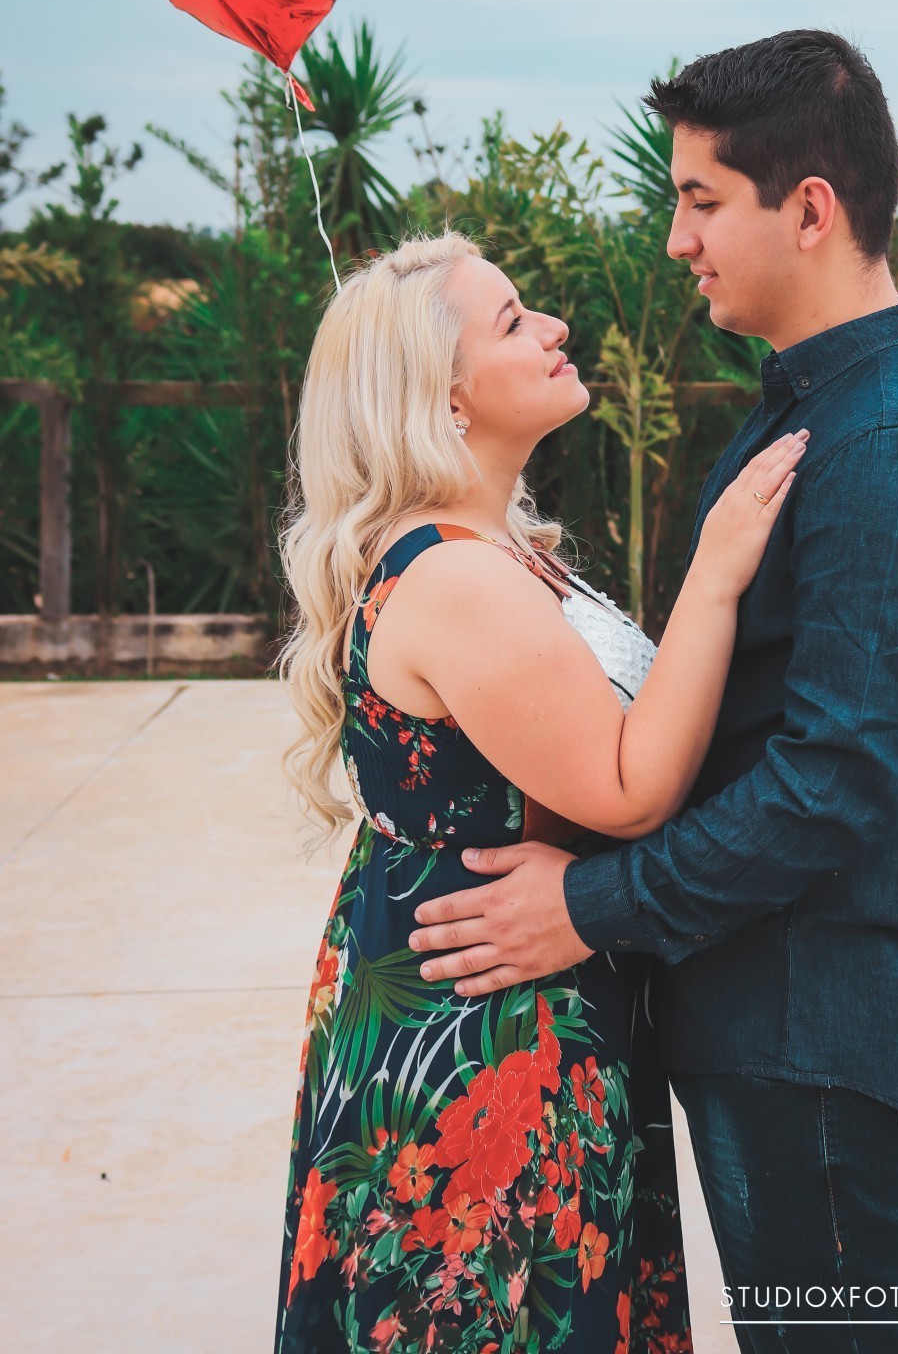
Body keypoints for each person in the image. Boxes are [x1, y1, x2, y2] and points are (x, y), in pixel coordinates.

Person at [407, 31, 898, 1353]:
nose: (678, 239)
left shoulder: (883, 449)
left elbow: (832, 783)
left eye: (701, 200)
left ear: (809, 211)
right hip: (788, 1007)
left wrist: (590, 906)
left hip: (820, 1029)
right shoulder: (823, 408)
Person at [274, 229, 807, 1354]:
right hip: (484, 1041)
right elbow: (626, 788)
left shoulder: (489, 549)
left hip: (508, 991)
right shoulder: (455, 576)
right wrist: (715, 577)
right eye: (514, 320)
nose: (555, 327)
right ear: (448, 396)